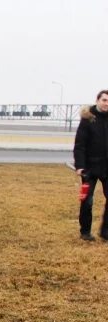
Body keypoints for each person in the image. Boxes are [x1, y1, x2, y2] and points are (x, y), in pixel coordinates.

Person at [74, 89, 108, 241]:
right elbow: (80, 145)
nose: (107, 103)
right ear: (97, 100)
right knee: (87, 201)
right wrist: (80, 166)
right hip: (89, 168)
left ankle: (105, 232)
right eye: (104, 100)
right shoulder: (88, 119)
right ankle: (85, 232)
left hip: (107, 167)